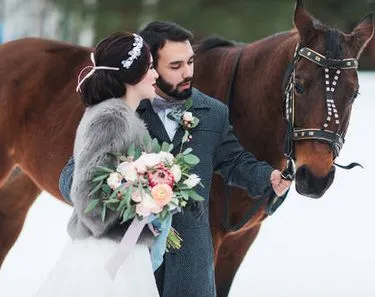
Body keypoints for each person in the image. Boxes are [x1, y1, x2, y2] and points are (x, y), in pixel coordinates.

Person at [59, 21, 292, 297]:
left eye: (190, 62)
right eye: (175, 66)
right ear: (149, 66)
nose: (188, 72)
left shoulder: (213, 112)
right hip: (133, 260)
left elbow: (234, 160)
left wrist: (267, 177)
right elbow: (72, 177)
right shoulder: (122, 112)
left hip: (191, 264)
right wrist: (126, 189)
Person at [36, 32, 160, 297]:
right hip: (105, 250)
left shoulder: (121, 116)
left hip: (123, 248)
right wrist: (139, 201)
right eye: (150, 67)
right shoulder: (111, 118)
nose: (155, 75)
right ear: (133, 74)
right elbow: (86, 193)